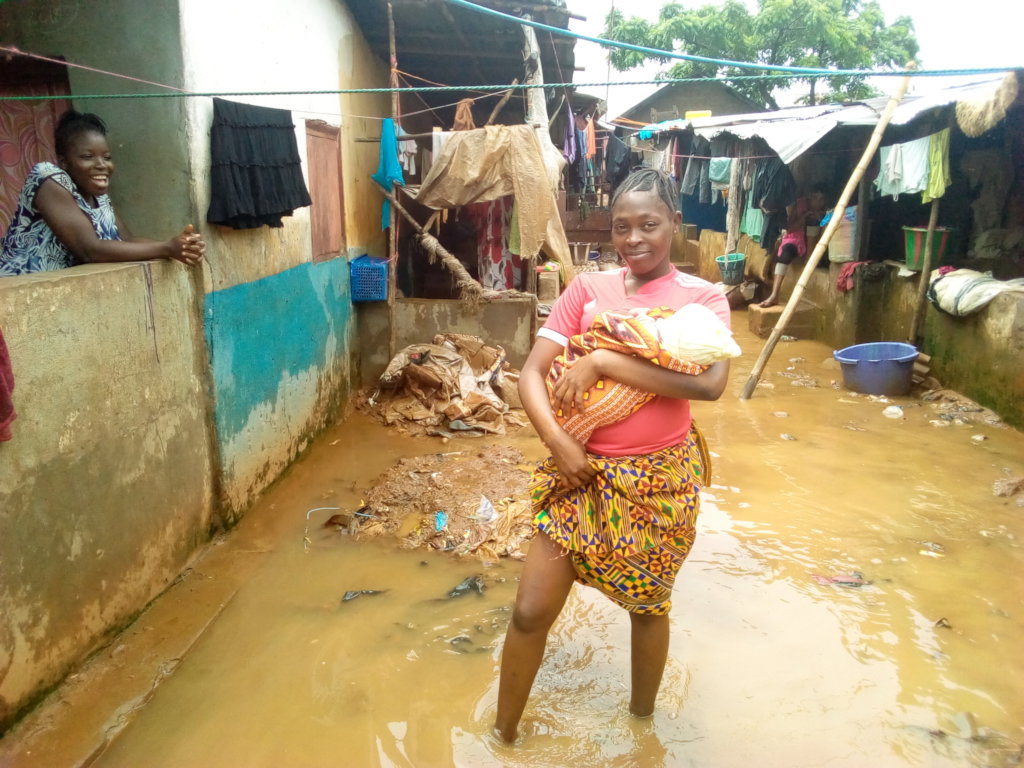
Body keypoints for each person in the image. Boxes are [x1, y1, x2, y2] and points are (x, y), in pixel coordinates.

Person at [494, 167, 731, 743]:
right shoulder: (586, 291)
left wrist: (601, 361)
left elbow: (709, 386)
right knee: (528, 612)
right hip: (575, 474)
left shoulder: (702, 300)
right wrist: (559, 442)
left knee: (647, 608)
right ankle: (501, 739)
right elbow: (531, 373)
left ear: (674, 223)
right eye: (622, 227)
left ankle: (642, 731)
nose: (634, 239)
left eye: (649, 224)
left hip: (657, 483)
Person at [0, 110, 205, 276]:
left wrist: (181, 245)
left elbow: (126, 241)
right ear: (64, 162)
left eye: (106, 157)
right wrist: (167, 248)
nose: (102, 165)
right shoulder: (48, 178)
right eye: (88, 156)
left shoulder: (99, 197)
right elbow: (89, 249)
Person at [758, 186, 827, 308]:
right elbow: (790, 228)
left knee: (814, 223)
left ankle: (809, 258)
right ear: (810, 197)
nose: (819, 202)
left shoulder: (825, 211)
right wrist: (804, 216)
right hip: (795, 239)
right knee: (785, 254)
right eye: (816, 198)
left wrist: (819, 217)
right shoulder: (799, 205)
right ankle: (774, 295)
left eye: (822, 199)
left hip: (813, 245)